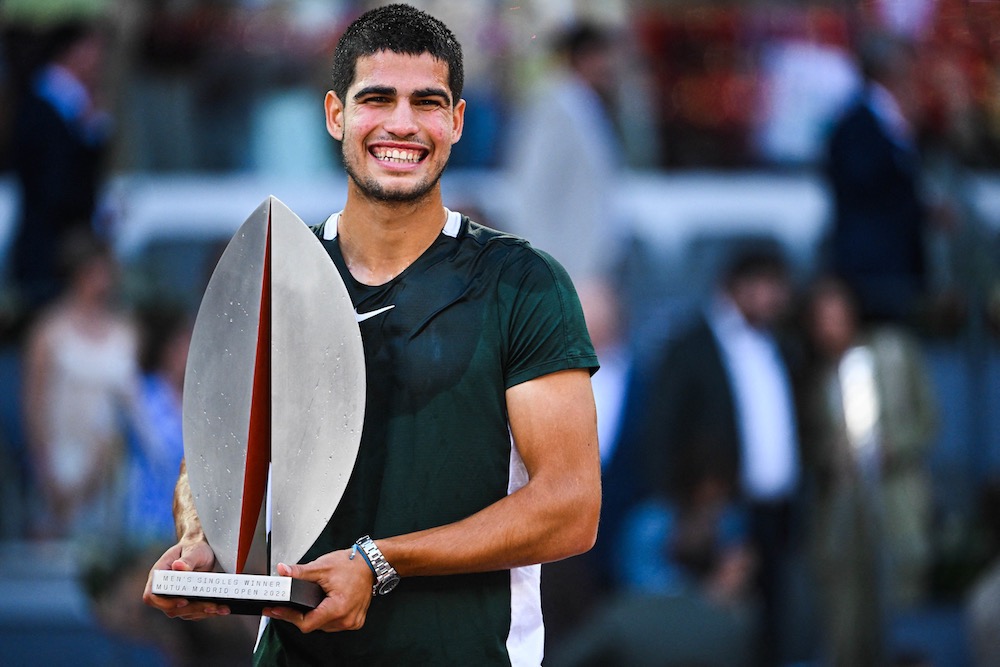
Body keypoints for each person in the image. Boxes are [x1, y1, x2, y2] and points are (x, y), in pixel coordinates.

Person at [143, 5, 602, 666]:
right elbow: (215, 456)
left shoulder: (522, 282)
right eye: (377, 99)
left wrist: (380, 561)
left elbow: (570, 506)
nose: (402, 124)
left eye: (427, 102)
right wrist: (200, 544)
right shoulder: (279, 273)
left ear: (457, 122)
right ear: (336, 114)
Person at [636, 247, 805, 667]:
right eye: (767, 286)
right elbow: (664, 430)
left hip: (777, 510)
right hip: (715, 512)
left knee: (774, 622)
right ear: (735, 287)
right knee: (719, 624)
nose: (777, 298)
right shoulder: (691, 347)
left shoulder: (782, 346)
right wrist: (683, 507)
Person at [799, 276, 937, 667]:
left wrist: (895, 446)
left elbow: (928, 419)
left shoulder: (894, 352)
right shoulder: (812, 376)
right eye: (821, 319)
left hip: (895, 505)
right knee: (847, 624)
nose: (831, 327)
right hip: (841, 518)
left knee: (901, 617)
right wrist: (832, 455)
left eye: (837, 315)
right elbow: (807, 444)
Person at [22, 229, 139, 542]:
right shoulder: (49, 331)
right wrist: (46, 472)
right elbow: (33, 406)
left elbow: (133, 403)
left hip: (109, 468)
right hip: (61, 463)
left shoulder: (124, 330)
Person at [505, 21, 624, 289]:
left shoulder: (584, 107)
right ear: (584, 58)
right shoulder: (555, 109)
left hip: (582, 265)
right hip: (562, 265)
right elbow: (534, 188)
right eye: (604, 56)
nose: (612, 66)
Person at [823, 32, 928, 324]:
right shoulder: (857, 124)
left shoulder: (892, 120)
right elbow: (863, 183)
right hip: (872, 264)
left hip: (897, 261)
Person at [9, 20, 113, 312]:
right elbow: (53, 184)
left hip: (65, 248)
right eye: (92, 49)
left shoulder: (76, 104)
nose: (98, 59)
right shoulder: (43, 106)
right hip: (49, 251)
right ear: (72, 52)